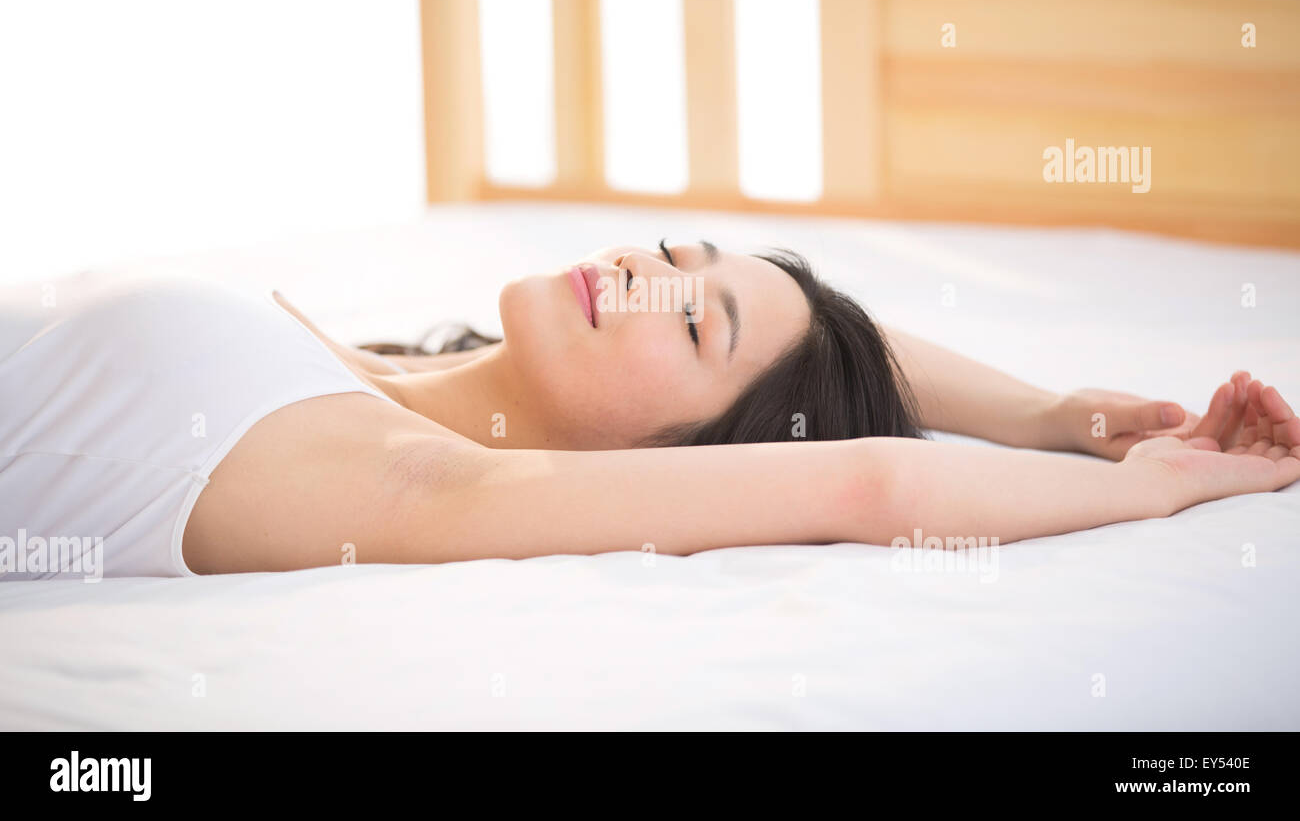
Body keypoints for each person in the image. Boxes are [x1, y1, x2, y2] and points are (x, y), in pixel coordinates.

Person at [1, 240, 1296, 580]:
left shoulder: (399, 479)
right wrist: (1052, 414)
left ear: (690, 461)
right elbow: (814, 336)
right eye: (675, 253)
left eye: (685, 322)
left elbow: (865, 479)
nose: (635, 274)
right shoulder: (368, 372)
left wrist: (1161, 484)